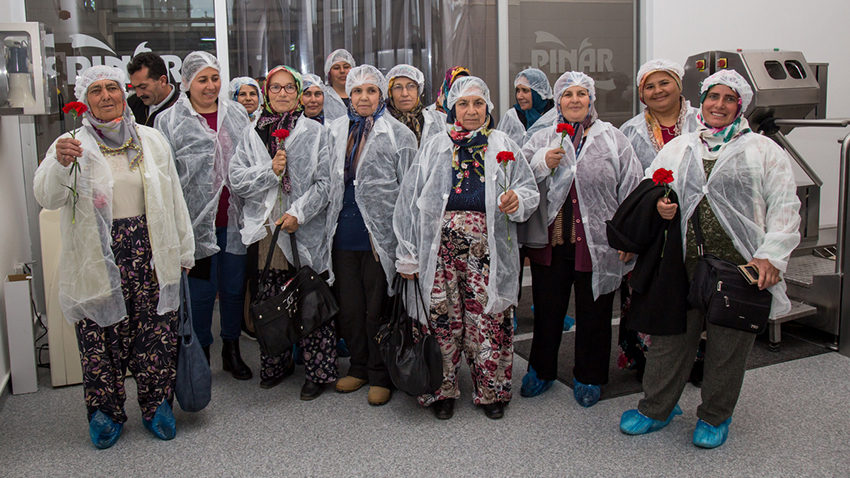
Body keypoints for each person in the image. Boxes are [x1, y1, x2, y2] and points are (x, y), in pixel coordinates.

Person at [619, 70, 801, 449]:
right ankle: (657, 408)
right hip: (683, 262)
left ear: (741, 105)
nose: (718, 105)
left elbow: (785, 206)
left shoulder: (764, 151)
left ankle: (716, 415)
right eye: (712, 96)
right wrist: (661, 209)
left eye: (728, 98)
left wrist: (771, 255)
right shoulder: (681, 147)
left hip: (740, 265)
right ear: (702, 100)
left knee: (728, 346)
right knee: (670, 340)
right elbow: (651, 190)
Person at [34, 65, 194, 449]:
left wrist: (184, 250)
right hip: (99, 253)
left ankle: (158, 407)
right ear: (84, 99)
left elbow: (173, 199)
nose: (106, 96)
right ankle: (104, 413)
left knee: (156, 334)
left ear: (125, 94)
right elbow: (46, 196)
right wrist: (59, 163)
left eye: (112, 89)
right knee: (98, 338)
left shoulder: (151, 140)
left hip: (150, 248)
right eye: (96, 91)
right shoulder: (71, 143)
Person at [395, 76, 539, 420]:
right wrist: (408, 252)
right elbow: (409, 200)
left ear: (487, 106)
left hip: (486, 250)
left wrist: (516, 199)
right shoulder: (435, 145)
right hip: (438, 249)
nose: (472, 111)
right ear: (452, 108)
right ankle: (441, 389)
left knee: (487, 319)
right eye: (464, 104)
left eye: (478, 104)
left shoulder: (502, 143)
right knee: (442, 321)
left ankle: (491, 392)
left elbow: (528, 188)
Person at [519, 71, 642, 405]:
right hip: (552, 244)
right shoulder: (542, 137)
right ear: (557, 101)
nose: (575, 100)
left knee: (596, 313)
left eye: (581, 94)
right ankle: (541, 370)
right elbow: (517, 179)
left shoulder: (614, 139)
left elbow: (631, 190)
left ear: (591, 99)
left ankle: (590, 377)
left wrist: (628, 240)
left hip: (597, 245)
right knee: (548, 311)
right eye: (567, 94)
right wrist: (541, 162)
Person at [230, 65, 338, 398]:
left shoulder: (315, 132)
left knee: (309, 299)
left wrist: (298, 212)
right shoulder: (252, 132)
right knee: (271, 300)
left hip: (302, 230)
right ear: (266, 92)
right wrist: (269, 171)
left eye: (289, 88)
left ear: (298, 92)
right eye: (275, 88)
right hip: (267, 233)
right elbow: (237, 178)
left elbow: (325, 184)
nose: (282, 94)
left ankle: (319, 372)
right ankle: (276, 364)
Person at [154, 51, 254, 381]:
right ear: (186, 83)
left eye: (214, 78)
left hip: (234, 219)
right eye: (202, 79)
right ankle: (200, 352)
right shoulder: (168, 121)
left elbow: (250, 160)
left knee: (233, 287)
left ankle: (231, 349)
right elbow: (164, 176)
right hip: (195, 225)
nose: (210, 86)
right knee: (199, 293)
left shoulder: (237, 114)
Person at [326, 65, 418, 406]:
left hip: (379, 238)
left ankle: (381, 373)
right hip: (342, 235)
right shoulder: (336, 130)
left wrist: (407, 246)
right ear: (349, 95)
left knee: (377, 309)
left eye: (371, 91)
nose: (364, 97)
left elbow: (410, 195)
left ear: (381, 95)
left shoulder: (398, 134)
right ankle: (359, 366)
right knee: (350, 308)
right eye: (357, 91)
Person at [616, 59, 701, 380]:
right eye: (649, 86)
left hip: (693, 225)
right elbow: (625, 186)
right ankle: (643, 357)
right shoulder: (631, 131)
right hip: (648, 227)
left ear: (679, 85)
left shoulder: (702, 122)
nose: (657, 91)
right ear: (641, 94)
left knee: (692, 292)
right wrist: (628, 236)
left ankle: (691, 359)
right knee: (645, 289)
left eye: (664, 83)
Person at [385, 64, 446, 146]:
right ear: (390, 92)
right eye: (398, 87)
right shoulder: (383, 123)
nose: (405, 93)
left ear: (418, 90)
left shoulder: (437, 122)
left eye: (411, 86)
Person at [497, 68, 555, 147]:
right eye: (518, 90)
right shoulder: (512, 116)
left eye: (525, 90)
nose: (519, 96)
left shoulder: (554, 117)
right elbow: (499, 146)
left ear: (538, 92)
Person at [127, 52, 179, 126]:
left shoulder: (183, 108)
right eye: (135, 87)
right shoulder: (133, 104)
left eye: (143, 87)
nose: (138, 94)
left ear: (162, 81)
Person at [322, 49, 356, 122]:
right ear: (329, 73)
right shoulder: (322, 97)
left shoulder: (360, 94)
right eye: (336, 68)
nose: (342, 71)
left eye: (346, 67)